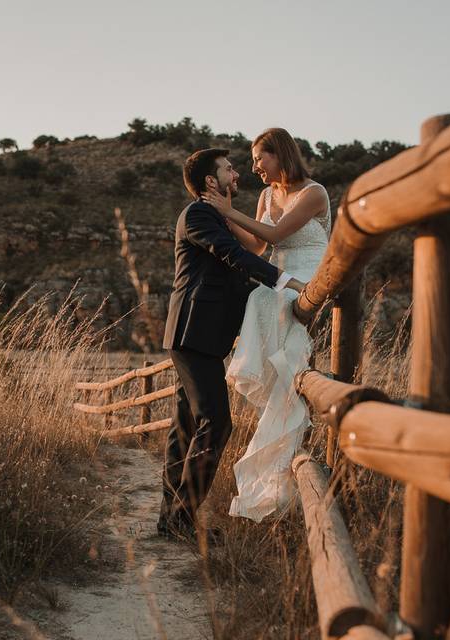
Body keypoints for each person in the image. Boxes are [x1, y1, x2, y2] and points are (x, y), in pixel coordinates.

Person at [158, 148, 305, 544]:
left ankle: (171, 521)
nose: (236, 173)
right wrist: (289, 283)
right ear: (211, 181)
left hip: (202, 336)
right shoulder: (198, 215)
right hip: (193, 333)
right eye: (228, 169)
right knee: (217, 422)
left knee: (186, 426)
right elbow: (234, 256)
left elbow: (243, 257)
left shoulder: (215, 216)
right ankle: (183, 521)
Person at [201, 128, 330, 522]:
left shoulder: (314, 193)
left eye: (260, 158)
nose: (255, 166)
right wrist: (222, 215)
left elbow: (276, 234)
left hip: (308, 277)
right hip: (279, 279)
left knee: (271, 300)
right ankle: (280, 401)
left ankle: (288, 405)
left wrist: (227, 211)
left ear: (281, 154)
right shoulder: (265, 196)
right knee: (260, 296)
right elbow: (257, 246)